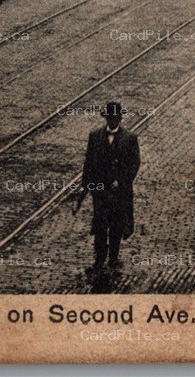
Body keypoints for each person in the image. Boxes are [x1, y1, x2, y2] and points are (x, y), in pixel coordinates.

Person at [77, 101, 140, 276]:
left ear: (120, 118)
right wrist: (85, 186)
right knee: (99, 225)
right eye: (109, 118)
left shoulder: (130, 138)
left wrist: (121, 181)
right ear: (106, 118)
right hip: (101, 191)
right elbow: (88, 162)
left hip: (119, 192)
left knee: (116, 225)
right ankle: (99, 258)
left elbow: (134, 164)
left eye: (115, 118)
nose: (112, 121)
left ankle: (113, 257)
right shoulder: (95, 136)